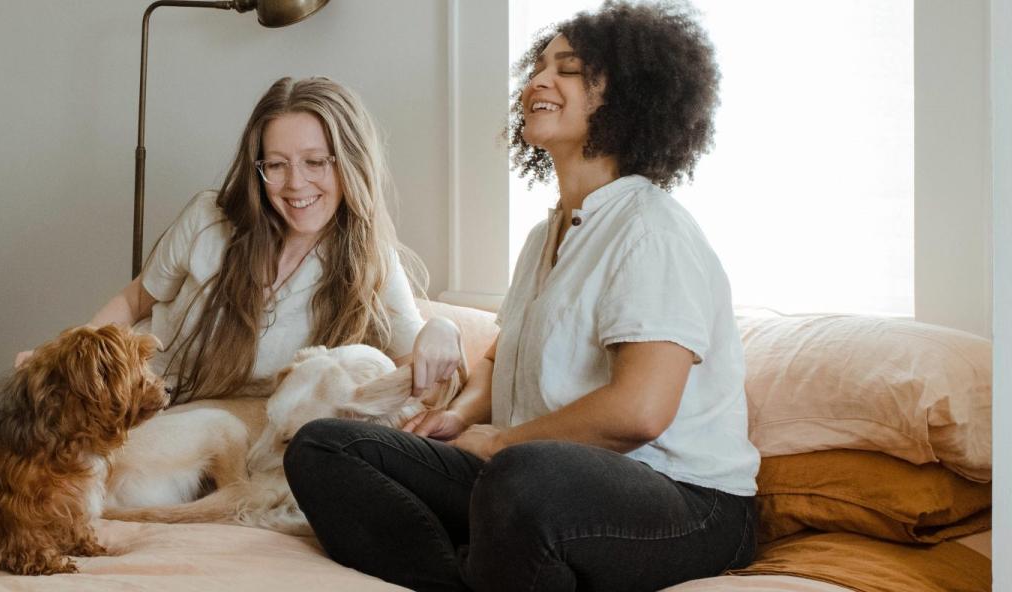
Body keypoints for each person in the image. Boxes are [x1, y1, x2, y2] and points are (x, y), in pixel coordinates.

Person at [284, 3, 760, 591]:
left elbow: (641, 409)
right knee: (325, 448)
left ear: (624, 94)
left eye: (567, 68)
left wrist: (503, 441)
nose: (537, 80)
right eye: (537, 66)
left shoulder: (650, 229)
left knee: (522, 477)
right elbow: (496, 356)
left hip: (686, 503)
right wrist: (459, 416)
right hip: (531, 477)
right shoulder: (546, 235)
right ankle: (460, 576)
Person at [21, 76, 463, 407]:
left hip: (227, 434)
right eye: (276, 164)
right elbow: (136, 300)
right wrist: (61, 359)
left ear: (350, 163)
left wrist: (444, 328)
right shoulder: (208, 219)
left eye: (315, 162)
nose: (295, 184)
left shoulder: (369, 259)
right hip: (139, 402)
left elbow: (414, 366)